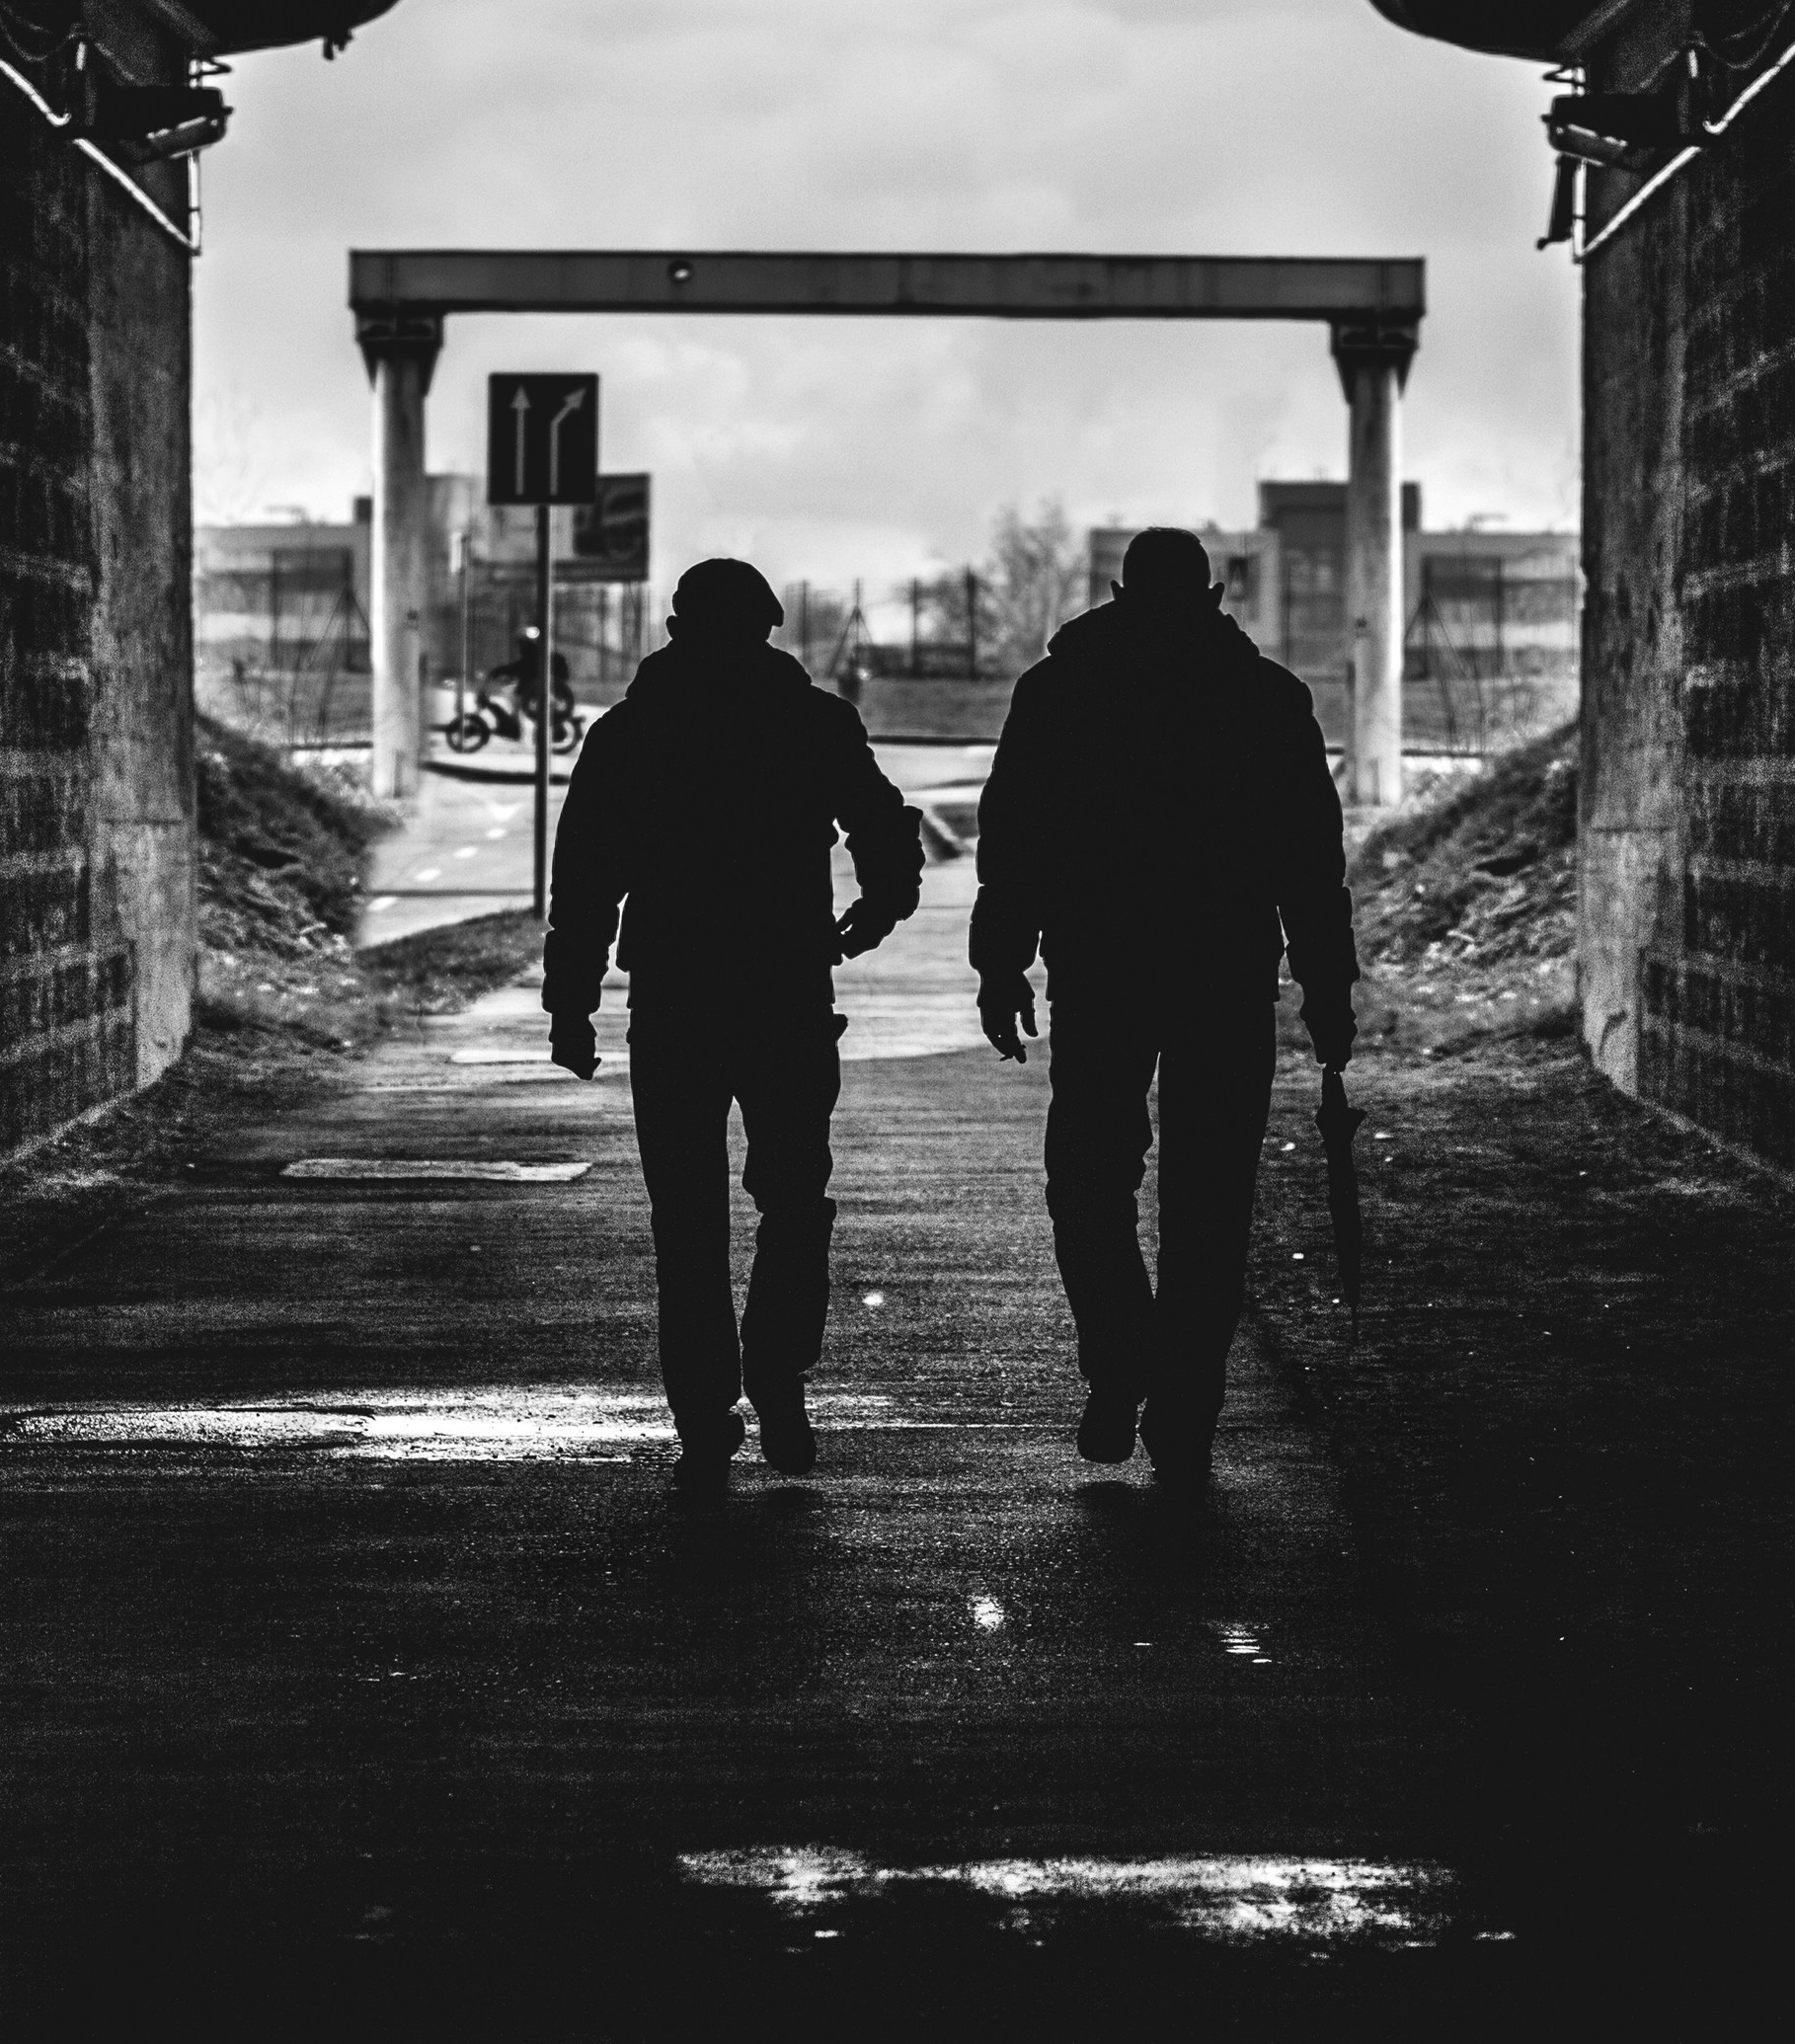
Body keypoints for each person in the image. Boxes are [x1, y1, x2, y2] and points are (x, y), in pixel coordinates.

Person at [971, 527, 1357, 1481]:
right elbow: (1309, 859)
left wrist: (1002, 962)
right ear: (1215, 594)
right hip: (1223, 977)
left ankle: (1116, 1359)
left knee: (1089, 1182)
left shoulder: (1058, 692)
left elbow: (1015, 836)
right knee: (1210, 1199)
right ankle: (1185, 1407)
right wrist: (1326, 984)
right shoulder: (1265, 699)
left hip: (1101, 973)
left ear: (1117, 590)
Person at [544, 560, 923, 1488]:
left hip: (674, 997)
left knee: (687, 1216)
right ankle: (779, 1375)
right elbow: (883, 829)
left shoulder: (631, 732)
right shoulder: (814, 721)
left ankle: (704, 1413)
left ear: (675, 626)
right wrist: (873, 914)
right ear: (770, 625)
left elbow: (587, 877)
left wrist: (572, 1001)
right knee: (794, 1199)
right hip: (786, 989)